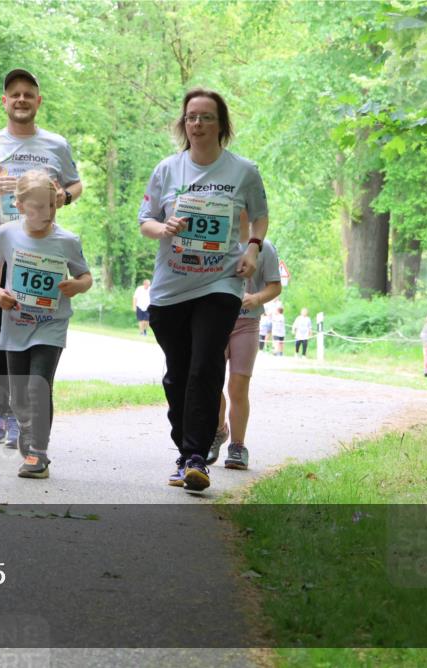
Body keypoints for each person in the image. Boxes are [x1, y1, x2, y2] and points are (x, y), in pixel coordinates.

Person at [137, 87, 269, 491]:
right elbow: (146, 221)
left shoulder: (243, 171)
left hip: (221, 283)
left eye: (206, 117)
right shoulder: (167, 170)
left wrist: (252, 247)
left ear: (221, 125)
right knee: (178, 375)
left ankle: (196, 456)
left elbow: (260, 218)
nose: (197, 124)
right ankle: (184, 452)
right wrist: (165, 227)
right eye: (191, 117)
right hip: (172, 287)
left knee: (206, 366)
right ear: (184, 123)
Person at [0, 69, 82, 448]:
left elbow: (76, 183)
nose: (22, 100)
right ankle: (3, 412)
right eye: (15, 94)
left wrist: (65, 197)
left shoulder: (56, 145)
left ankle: (26, 415)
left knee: (35, 329)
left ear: (38, 101)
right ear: (5, 101)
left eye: (29, 94)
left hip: (41, 252)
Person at [0, 170, 91, 479]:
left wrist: (77, 285)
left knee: (38, 386)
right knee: (18, 395)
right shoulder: (7, 234)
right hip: (15, 325)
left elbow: (86, 276)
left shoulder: (67, 240)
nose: (46, 214)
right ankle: (27, 435)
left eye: (51, 206)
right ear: (18, 205)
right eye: (37, 208)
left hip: (51, 325)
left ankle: (37, 453)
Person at [208, 240, 282, 469]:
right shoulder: (216, 239)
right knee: (210, 383)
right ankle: (219, 431)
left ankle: (238, 447)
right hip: (213, 322)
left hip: (247, 324)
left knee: (238, 387)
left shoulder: (264, 248)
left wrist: (257, 298)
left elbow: (275, 286)